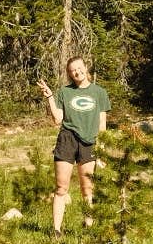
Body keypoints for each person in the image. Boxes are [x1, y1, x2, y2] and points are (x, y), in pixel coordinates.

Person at [36, 56, 110, 234]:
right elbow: (57, 119)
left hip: (89, 142)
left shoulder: (99, 92)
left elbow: (102, 124)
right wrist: (50, 97)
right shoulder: (65, 92)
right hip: (67, 140)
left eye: (79, 68)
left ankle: (88, 227)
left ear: (86, 67)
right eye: (72, 71)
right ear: (69, 74)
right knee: (61, 188)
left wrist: (102, 149)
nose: (77, 72)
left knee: (87, 189)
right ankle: (56, 230)